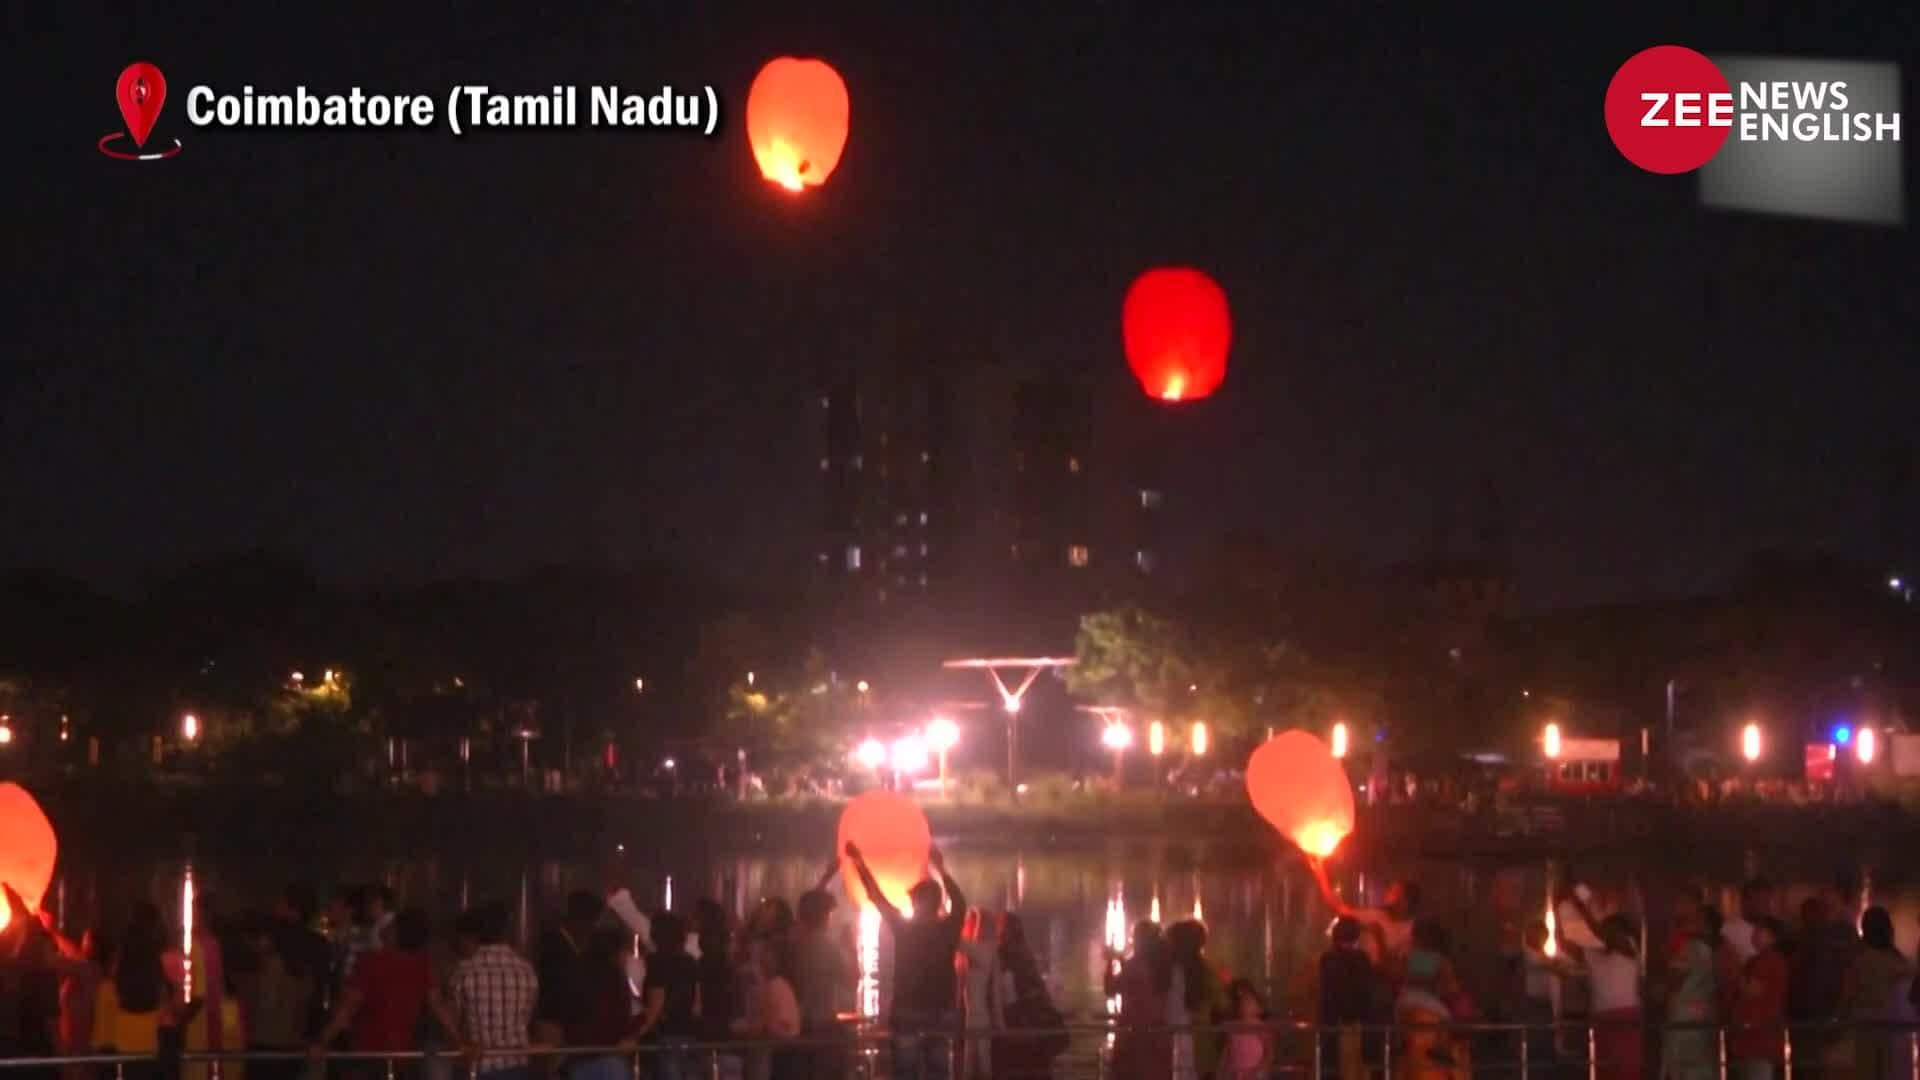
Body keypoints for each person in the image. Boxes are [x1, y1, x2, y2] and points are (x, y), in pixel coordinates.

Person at [845, 841, 968, 1080]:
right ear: (937, 904)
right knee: (939, 1070)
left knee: (905, 1070)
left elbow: (875, 895)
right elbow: (960, 903)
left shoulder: (904, 928)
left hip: (907, 1008)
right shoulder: (948, 929)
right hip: (940, 1008)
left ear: (916, 903)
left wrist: (859, 861)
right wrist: (940, 868)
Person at [312, 907, 453, 1080]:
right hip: (406, 1057)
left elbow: (347, 1009)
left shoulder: (369, 963)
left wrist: (322, 1040)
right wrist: (461, 1040)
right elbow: (438, 1005)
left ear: (397, 933)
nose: (383, 929)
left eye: (390, 926)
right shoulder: (422, 966)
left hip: (367, 1054)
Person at [446, 903, 537, 1080]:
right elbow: (527, 1017)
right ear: (506, 931)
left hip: (478, 1066)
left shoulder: (464, 970)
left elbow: (455, 1020)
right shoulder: (526, 969)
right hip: (518, 1064)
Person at [1837, 907, 1915, 1080]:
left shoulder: (1858, 963)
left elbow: (1847, 996)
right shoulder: (1899, 963)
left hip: (1865, 1032)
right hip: (1896, 1034)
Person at [1309, 860, 1418, 982]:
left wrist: (1379, 938)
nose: (1387, 895)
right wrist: (1320, 872)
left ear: (1405, 902)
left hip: (1382, 986)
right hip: (1359, 978)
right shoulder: (1377, 915)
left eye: (1393, 892)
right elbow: (1337, 907)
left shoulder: (1412, 931)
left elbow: (1399, 971)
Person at [787, 886, 854, 1080]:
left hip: (798, 1023)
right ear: (824, 915)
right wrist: (850, 948)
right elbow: (851, 980)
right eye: (830, 914)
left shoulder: (794, 943)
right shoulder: (827, 946)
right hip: (823, 1024)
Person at [237, 921, 315, 1080]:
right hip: (292, 1045)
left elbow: (266, 1004)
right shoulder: (303, 971)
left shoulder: (270, 968)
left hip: (265, 1044)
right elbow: (303, 1011)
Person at [533, 891, 606, 1056]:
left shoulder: (572, 945)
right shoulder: (552, 944)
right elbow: (557, 986)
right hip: (553, 1022)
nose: (593, 927)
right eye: (592, 921)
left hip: (569, 1024)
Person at [993, 913, 1063, 1080]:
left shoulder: (1004, 957)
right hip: (1035, 1025)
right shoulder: (1026, 955)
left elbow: (1008, 994)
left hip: (1018, 1025)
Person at [633, 911, 700, 1080]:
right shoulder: (690, 962)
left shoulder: (657, 962)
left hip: (665, 1034)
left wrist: (637, 1032)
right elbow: (697, 1003)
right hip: (689, 1033)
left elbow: (656, 1004)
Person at [571, 929, 638, 1080]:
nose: (627, 955)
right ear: (615, 952)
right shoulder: (616, 981)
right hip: (611, 1056)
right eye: (625, 950)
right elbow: (626, 1018)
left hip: (579, 1057)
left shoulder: (577, 977)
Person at [730, 940, 802, 1080]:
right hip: (778, 1051)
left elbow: (776, 1025)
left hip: (776, 1053)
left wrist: (749, 1028)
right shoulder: (778, 986)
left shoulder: (775, 987)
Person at [1662, 904, 1718, 1080]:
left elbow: (1677, 976)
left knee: (1680, 1060)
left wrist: (1663, 992)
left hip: (1684, 1012)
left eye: (1694, 920)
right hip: (1703, 1010)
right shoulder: (1717, 949)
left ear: (1705, 925)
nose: (1688, 923)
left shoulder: (1693, 948)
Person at [1728, 918, 1788, 1080]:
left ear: (1772, 937)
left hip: (1759, 1035)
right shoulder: (1757, 961)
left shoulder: (1770, 960)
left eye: (1760, 931)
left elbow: (1753, 990)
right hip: (1750, 1036)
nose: (1754, 934)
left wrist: (1735, 970)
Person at [1165, 920, 1226, 1080]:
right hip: (1200, 1040)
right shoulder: (1207, 971)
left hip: (1174, 1038)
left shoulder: (1169, 972)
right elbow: (1221, 1004)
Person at [1110, 922, 1170, 1080]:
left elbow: (1111, 988)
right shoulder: (1165, 966)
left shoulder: (1135, 965)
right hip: (1159, 1033)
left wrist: (1111, 961)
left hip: (1133, 1032)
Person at [1587, 915, 1643, 1080]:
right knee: (1607, 1068)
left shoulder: (1635, 955)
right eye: (1609, 933)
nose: (1613, 936)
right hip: (1605, 1018)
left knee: (1627, 1068)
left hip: (1628, 1016)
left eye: (1617, 933)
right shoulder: (1594, 956)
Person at [958, 910, 1002, 1080]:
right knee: (982, 1066)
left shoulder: (979, 950)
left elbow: (956, 940)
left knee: (973, 1068)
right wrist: (999, 1020)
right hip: (980, 1015)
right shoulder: (990, 951)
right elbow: (996, 991)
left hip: (976, 1016)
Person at [1220, 979, 1273, 1080]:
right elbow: (1227, 1050)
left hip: (1254, 1073)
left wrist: (1261, 1070)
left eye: (1249, 1001)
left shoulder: (1260, 1026)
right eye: (1242, 1001)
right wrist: (1222, 1071)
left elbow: (1269, 1051)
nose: (1244, 1003)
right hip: (1235, 1073)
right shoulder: (1233, 1026)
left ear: (1259, 1008)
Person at [1720, 880, 1773, 965]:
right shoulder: (1729, 930)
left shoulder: (1773, 928)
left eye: (1767, 901)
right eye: (1760, 900)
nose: (1765, 906)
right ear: (1745, 902)